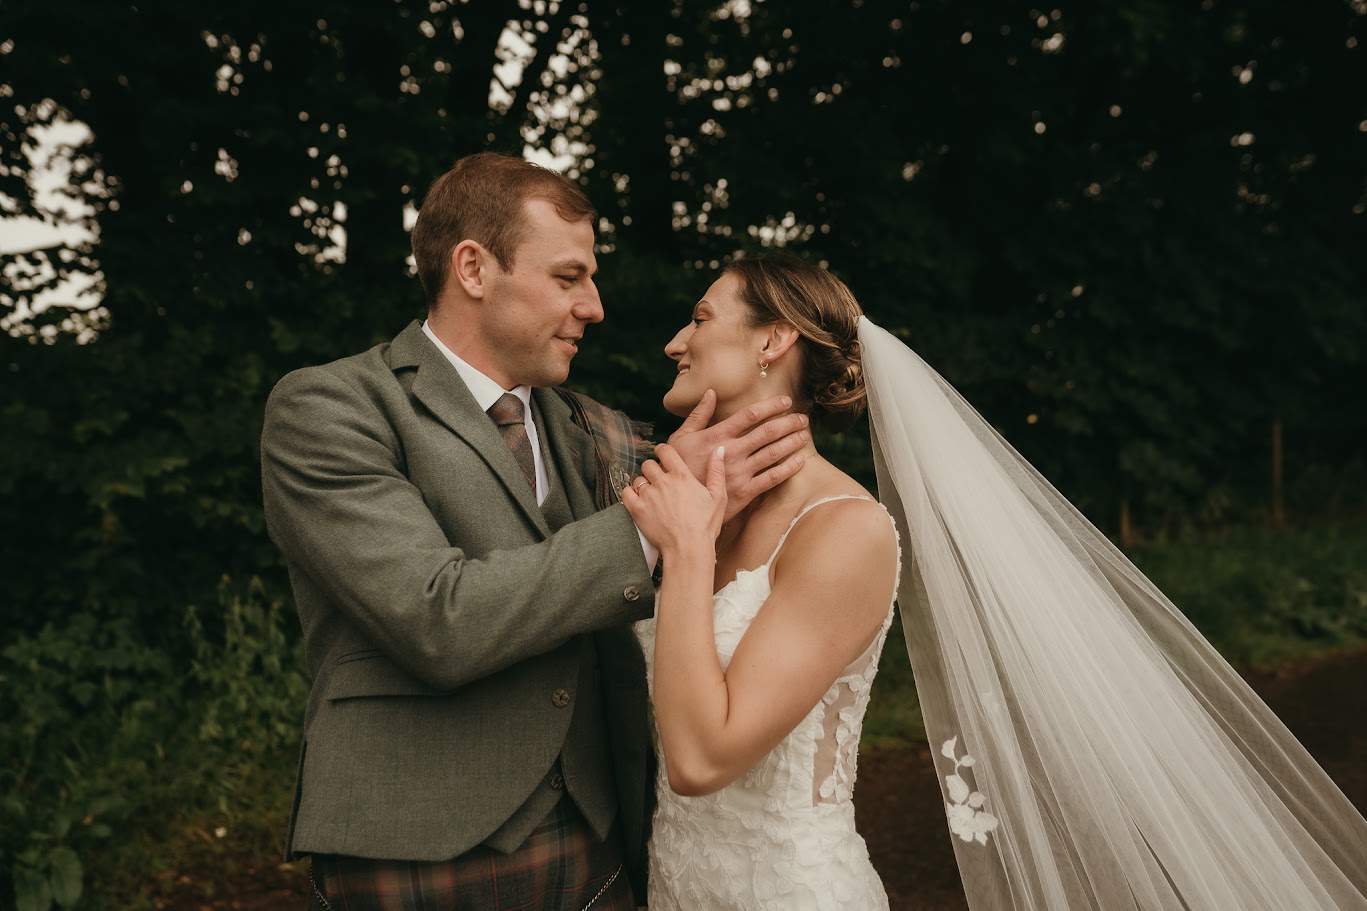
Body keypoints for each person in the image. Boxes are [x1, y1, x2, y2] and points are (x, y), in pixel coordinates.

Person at [623, 254, 1367, 910]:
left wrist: (684, 549)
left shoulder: (842, 529)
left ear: (772, 338)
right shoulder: (696, 511)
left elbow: (701, 758)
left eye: (699, 317)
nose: (675, 342)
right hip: (678, 886)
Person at [259, 152, 811, 910]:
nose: (595, 306)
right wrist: (651, 528)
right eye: (568, 276)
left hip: (599, 839)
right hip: (419, 847)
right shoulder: (331, 407)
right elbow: (435, 616)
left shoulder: (598, 430)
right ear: (474, 268)